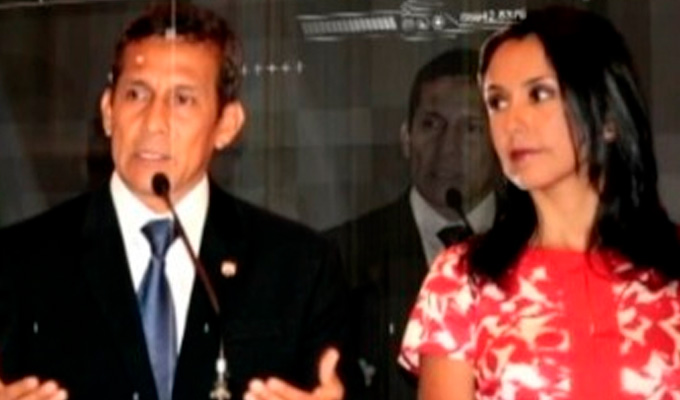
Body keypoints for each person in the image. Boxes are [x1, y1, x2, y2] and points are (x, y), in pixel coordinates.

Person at [0, 4, 352, 400]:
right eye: (136, 94)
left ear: (226, 125)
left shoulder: (298, 267)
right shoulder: (17, 264)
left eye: (182, 99)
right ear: (108, 111)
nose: (154, 122)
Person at [399, 6, 680, 399]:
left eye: (539, 94)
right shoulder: (463, 279)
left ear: (608, 117)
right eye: (497, 102)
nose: (513, 122)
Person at [325, 49, 496, 400]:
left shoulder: (539, 246)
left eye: (471, 128)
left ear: (500, 141)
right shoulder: (342, 255)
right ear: (406, 138)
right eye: (432, 125)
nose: (449, 148)